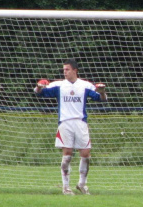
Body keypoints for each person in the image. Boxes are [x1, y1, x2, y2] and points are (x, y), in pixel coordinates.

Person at [34, 59, 107, 195]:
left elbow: (101, 99)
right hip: (65, 123)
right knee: (67, 155)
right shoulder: (59, 85)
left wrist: (102, 92)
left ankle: (82, 184)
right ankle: (66, 187)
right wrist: (39, 86)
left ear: (75, 70)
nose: (65, 72)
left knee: (85, 154)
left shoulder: (85, 85)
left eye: (67, 69)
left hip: (80, 123)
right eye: (64, 70)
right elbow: (39, 93)